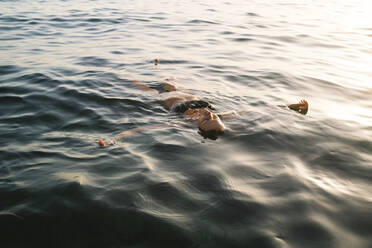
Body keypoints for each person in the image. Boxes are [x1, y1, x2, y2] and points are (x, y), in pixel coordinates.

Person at [98, 79, 308, 147]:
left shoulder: (181, 124)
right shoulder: (223, 116)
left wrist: (113, 140)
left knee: (153, 89)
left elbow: (139, 129)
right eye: (214, 118)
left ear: (199, 128)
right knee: (171, 82)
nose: (211, 116)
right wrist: (290, 107)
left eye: (208, 121)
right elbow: (257, 109)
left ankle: (126, 79)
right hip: (190, 95)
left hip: (167, 101)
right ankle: (158, 68)